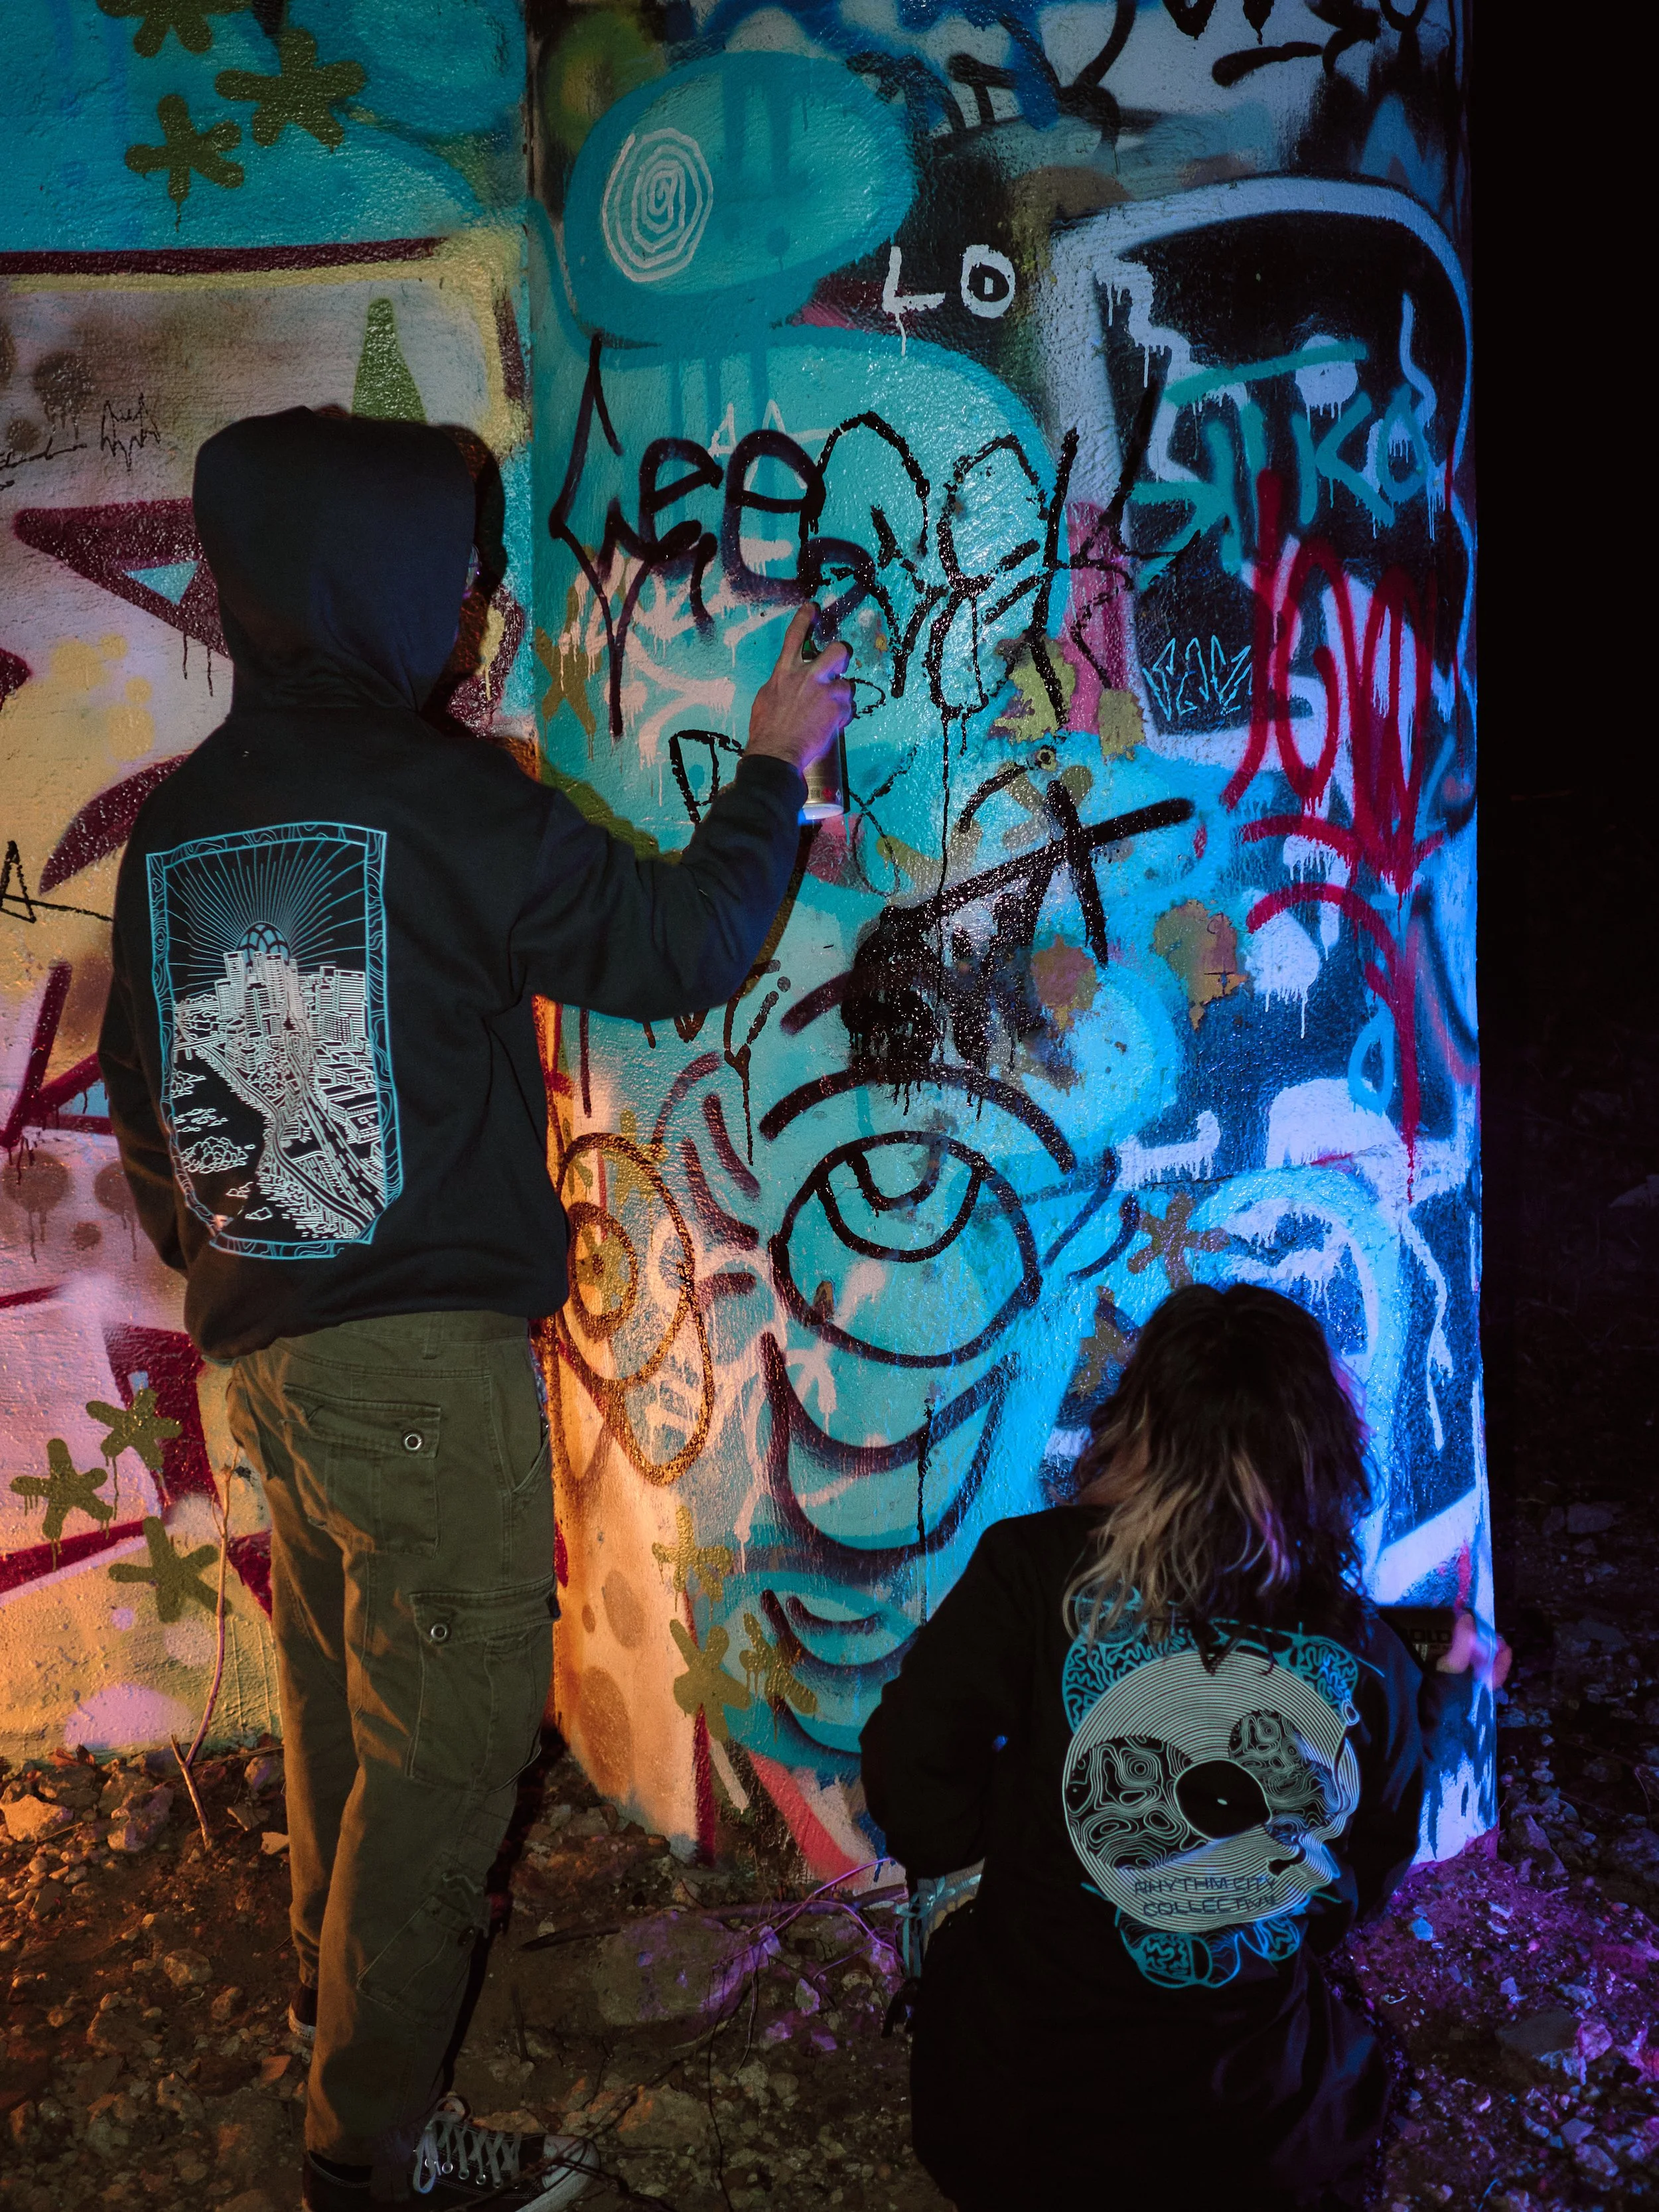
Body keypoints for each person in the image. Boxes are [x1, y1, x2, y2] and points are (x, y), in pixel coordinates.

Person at [98, 406, 853, 2211]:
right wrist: (771, 770)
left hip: (268, 1352)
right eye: (453, 566)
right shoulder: (441, 797)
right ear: (369, 582)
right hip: (418, 1360)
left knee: (351, 1708)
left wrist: (243, 1275)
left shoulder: (184, 821)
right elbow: (671, 949)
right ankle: (371, 2151)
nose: (474, 598)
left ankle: (333, 2006)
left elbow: (146, 1111)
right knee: (448, 1751)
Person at [861, 1282, 1508, 2212]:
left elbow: (914, 1800)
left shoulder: (1030, 1569)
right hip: (1253, 2151)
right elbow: (1346, 1895)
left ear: (1136, 1421)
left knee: (967, 1966)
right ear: (1322, 1453)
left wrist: (1031, 1819)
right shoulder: (1361, 1655)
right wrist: (1429, 1681)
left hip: (1020, 2140)